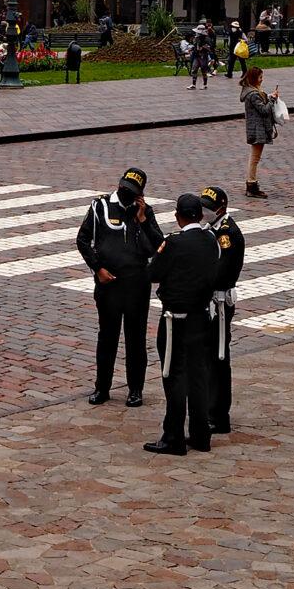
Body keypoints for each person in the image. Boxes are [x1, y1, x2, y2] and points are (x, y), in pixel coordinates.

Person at [76, 167, 163, 408]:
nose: (126, 194)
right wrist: (97, 269)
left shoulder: (145, 213)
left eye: (132, 192)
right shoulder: (100, 207)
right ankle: (102, 387)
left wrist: (143, 220)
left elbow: (158, 246)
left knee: (135, 339)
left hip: (136, 284)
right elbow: (83, 239)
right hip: (109, 284)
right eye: (124, 189)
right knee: (107, 337)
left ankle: (135, 389)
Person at [143, 193, 221, 456]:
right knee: (198, 376)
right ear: (199, 215)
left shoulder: (174, 243)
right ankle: (201, 434)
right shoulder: (210, 239)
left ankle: (173, 436)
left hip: (176, 319)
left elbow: (154, 273)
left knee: (174, 376)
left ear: (178, 216)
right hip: (201, 316)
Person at [201, 184, 245, 435]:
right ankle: (210, 408)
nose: (204, 212)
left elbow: (221, 271)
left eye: (208, 209)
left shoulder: (226, 233)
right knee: (209, 356)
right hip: (211, 301)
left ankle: (218, 415)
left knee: (218, 356)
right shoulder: (213, 228)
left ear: (222, 208)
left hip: (218, 301)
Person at [240, 65, 279, 197]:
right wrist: (272, 100)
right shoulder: (253, 94)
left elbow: (261, 102)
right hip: (258, 130)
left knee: (254, 157)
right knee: (255, 158)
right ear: (254, 78)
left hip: (256, 128)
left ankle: (251, 183)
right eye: (260, 77)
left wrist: (269, 96)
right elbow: (264, 110)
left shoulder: (252, 92)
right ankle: (251, 185)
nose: (262, 79)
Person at [188, 23, 214, 89]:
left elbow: (210, 48)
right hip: (196, 56)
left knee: (203, 70)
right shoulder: (196, 39)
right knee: (194, 69)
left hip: (203, 56)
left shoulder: (207, 39)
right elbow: (195, 46)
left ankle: (205, 85)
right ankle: (193, 84)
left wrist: (204, 47)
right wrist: (192, 49)